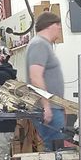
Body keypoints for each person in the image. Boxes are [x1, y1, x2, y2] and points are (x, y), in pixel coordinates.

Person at [25, 11, 66, 148]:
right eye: (57, 24)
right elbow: (35, 77)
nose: (60, 28)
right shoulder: (39, 44)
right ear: (49, 26)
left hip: (53, 107)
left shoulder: (43, 44)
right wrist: (46, 106)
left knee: (55, 148)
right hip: (48, 107)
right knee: (56, 150)